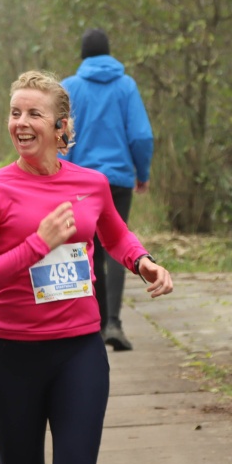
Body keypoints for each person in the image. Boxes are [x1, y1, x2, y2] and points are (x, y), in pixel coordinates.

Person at [0, 70, 173, 464]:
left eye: (34, 114)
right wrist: (38, 244)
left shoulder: (91, 183)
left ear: (61, 126)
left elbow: (114, 235)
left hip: (78, 349)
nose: (21, 123)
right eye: (15, 113)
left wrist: (143, 263)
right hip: (11, 355)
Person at [59, 28, 154, 351]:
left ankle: (96, 327)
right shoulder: (126, 86)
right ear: (109, 53)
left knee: (89, 249)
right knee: (117, 244)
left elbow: (61, 136)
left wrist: (60, 175)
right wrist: (142, 173)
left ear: (83, 55)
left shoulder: (70, 87)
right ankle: (114, 322)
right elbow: (141, 136)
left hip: (80, 183)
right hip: (117, 180)